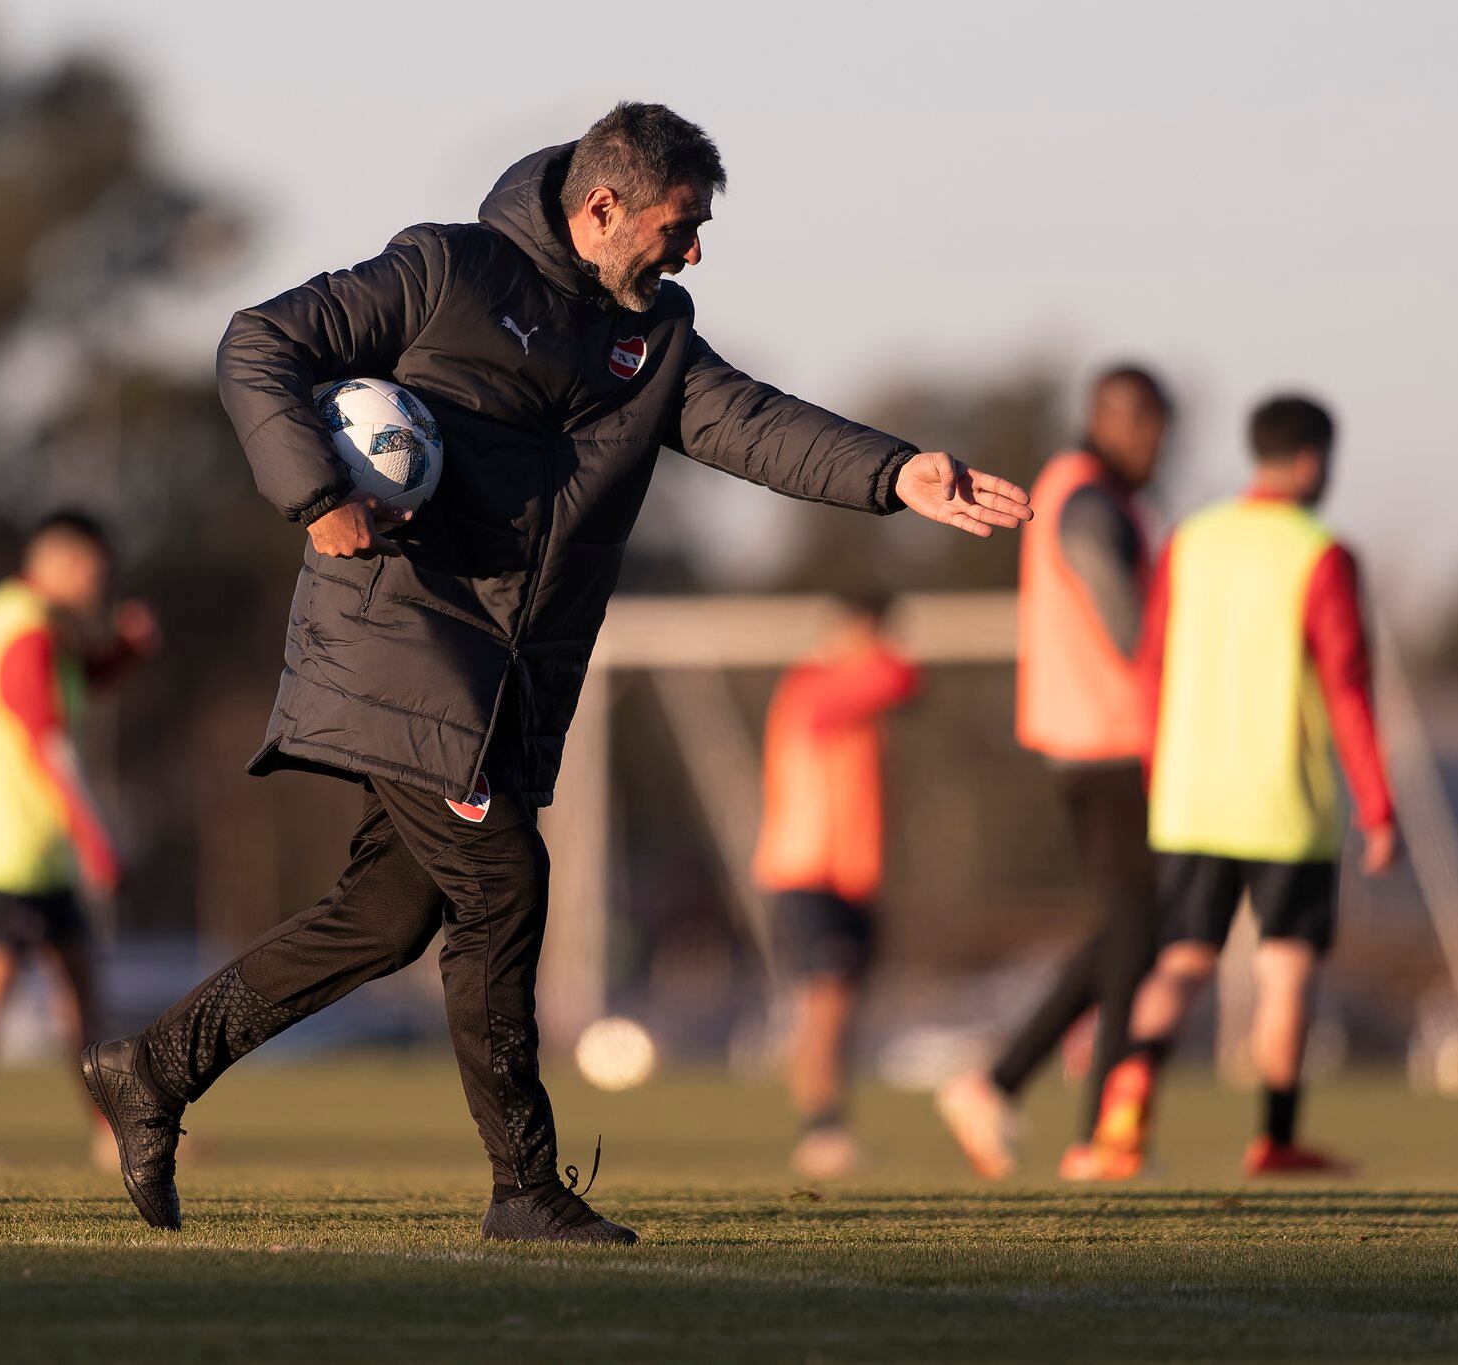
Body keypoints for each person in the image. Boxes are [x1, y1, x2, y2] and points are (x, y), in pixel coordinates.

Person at [80, 103, 1032, 1244]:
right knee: (503, 884)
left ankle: (150, 1072)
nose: (692, 251)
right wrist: (317, 496)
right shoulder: (445, 269)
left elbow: (752, 424)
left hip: (509, 686)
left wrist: (895, 474)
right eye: (680, 226)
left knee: (385, 922)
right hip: (402, 643)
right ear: (600, 208)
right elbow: (256, 342)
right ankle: (524, 1189)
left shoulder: (658, 337)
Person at [1084, 394, 1397, 1179]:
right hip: (1283, 802)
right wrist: (1377, 806)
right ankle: (1276, 1138)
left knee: (1182, 959)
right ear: (1315, 460)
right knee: (1285, 968)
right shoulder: (1319, 552)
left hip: (1191, 794)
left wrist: (1161, 770)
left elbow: (1149, 664)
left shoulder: (1191, 540)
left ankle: (1123, 1117)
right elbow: (1348, 688)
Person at [935, 365, 1170, 1183]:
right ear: (1120, 421)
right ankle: (1093, 1130)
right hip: (1110, 739)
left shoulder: (1083, 489)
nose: (1156, 450)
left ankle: (1000, 1087)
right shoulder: (1089, 496)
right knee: (1136, 930)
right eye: (1151, 431)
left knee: (1129, 929)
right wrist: (1178, 666)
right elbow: (1124, 614)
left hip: (1093, 739)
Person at [0, 510, 157, 1172]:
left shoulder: (43, 625)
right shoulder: (24, 626)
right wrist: (96, 841)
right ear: (58, 563)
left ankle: (114, 1135)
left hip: (34, 845)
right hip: (6, 843)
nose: (98, 585)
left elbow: (87, 676)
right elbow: (45, 742)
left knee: (79, 983)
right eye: (92, 570)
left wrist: (127, 650)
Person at [752, 593, 921, 1179]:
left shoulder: (849, 690)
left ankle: (828, 1122)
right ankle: (820, 1131)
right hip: (807, 867)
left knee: (838, 1006)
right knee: (826, 1001)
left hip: (850, 873)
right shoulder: (815, 684)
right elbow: (902, 678)